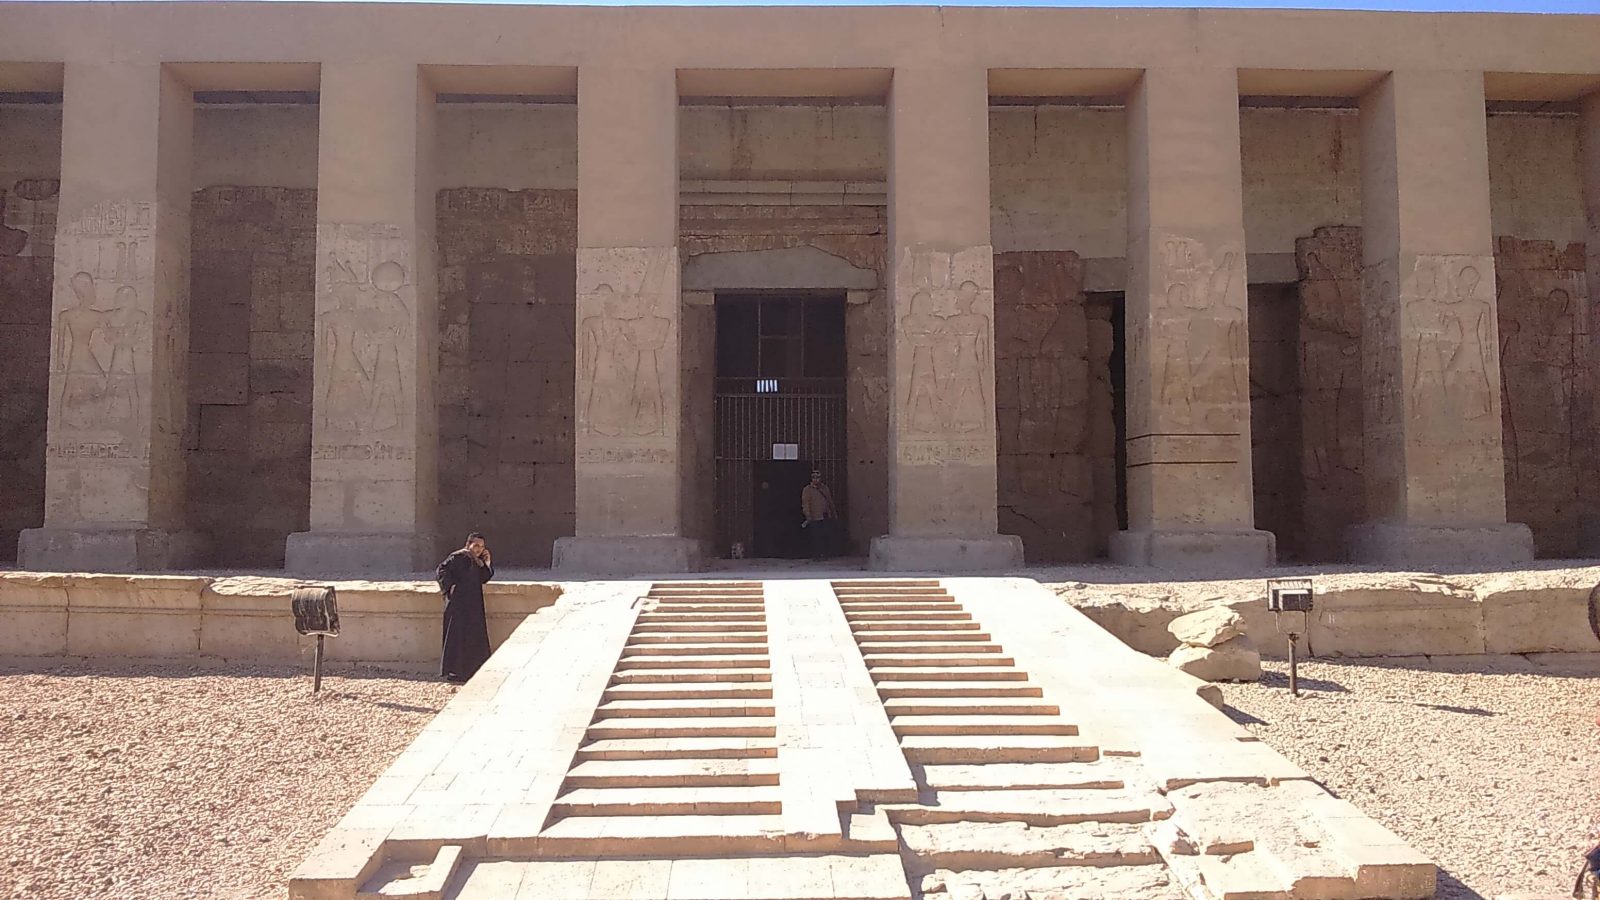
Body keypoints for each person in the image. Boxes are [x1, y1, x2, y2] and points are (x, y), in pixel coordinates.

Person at [436, 532, 494, 683]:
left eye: (482, 547)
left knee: (473, 636)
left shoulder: (478, 561)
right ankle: (455, 672)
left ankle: (472, 670)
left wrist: (487, 563)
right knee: (457, 636)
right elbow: (441, 571)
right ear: (468, 544)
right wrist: (451, 588)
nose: (479, 549)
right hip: (458, 606)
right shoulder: (457, 557)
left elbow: (484, 577)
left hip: (473, 605)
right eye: (476, 546)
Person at [800, 470, 838, 560]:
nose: (816, 479)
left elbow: (830, 501)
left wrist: (834, 513)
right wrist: (808, 515)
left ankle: (825, 553)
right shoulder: (807, 490)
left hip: (825, 515)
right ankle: (816, 555)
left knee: (825, 535)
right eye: (814, 477)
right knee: (816, 537)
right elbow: (806, 503)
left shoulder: (825, 488)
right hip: (815, 516)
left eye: (818, 477)